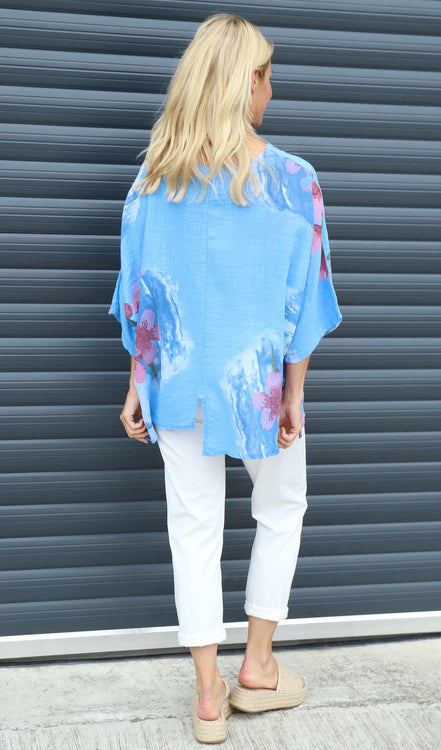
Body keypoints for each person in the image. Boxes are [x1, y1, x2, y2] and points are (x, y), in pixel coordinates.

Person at [108, 12, 342, 744]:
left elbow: (140, 296)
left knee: (193, 527)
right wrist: (295, 393)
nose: (273, 90)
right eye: (268, 76)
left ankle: (208, 695)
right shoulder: (293, 181)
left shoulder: (154, 181)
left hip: (176, 382)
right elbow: (304, 299)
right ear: (248, 82)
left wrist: (136, 382)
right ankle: (258, 667)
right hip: (257, 388)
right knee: (281, 506)